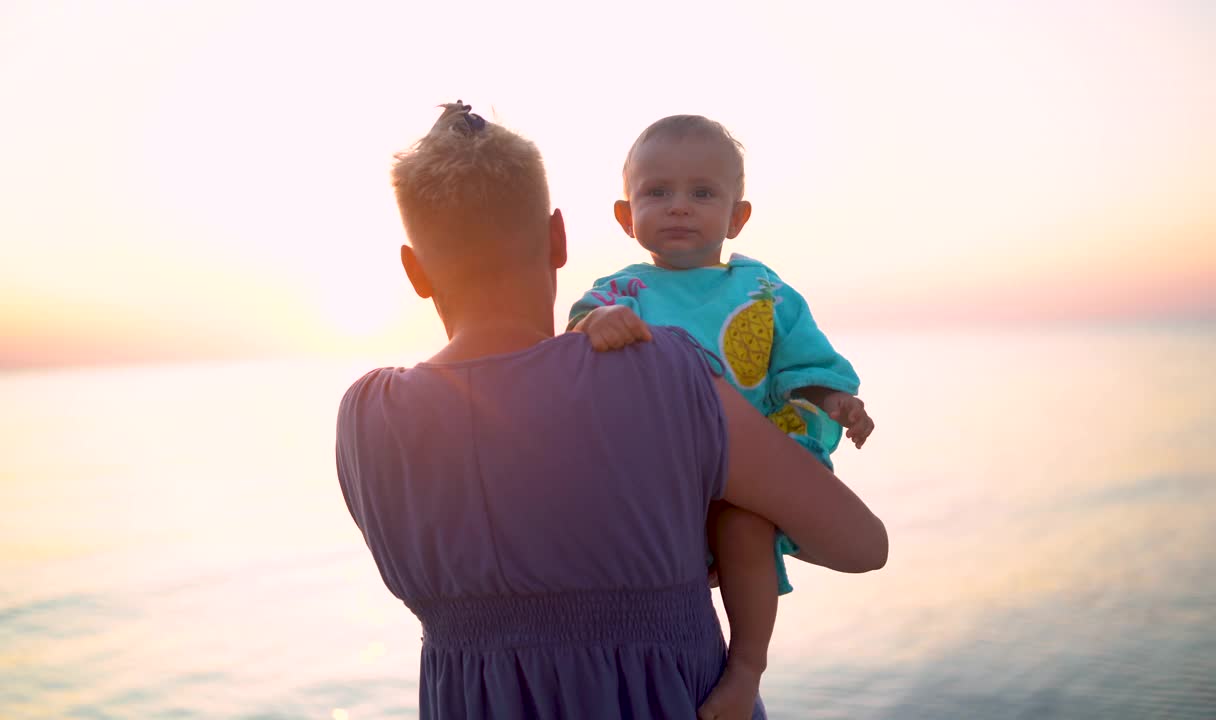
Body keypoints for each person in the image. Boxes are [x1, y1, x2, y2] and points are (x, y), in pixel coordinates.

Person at [335, 102, 888, 720]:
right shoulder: (668, 375)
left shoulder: (365, 419)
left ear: (414, 271)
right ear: (558, 239)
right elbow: (862, 546)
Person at [567, 114, 875, 709]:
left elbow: (803, 366)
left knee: (745, 531)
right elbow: (579, 331)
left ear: (737, 217)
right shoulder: (621, 292)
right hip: (658, 481)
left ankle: (746, 672)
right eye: (657, 192)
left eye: (702, 193)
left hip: (744, 476)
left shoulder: (764, 292)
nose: (679, 206)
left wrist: (835, 401)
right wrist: (595, 324)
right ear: (627, 217)